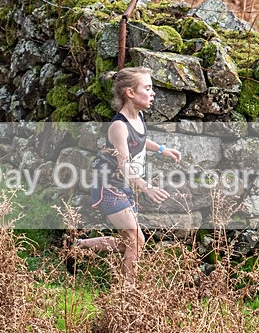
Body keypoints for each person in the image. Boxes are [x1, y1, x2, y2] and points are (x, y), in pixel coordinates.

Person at [69, 67, 181, 285]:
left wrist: (161, 149)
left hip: (123, 187)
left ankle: (79, 247)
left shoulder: (138, 117)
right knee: (136, 241)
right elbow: (125, 165)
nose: (153, 93)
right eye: (147, 88)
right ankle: (127, 293)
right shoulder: (119, 126)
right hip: (108, 186)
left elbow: (139, 139)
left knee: (127, 241)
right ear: (130, 93)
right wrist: (146, 187)